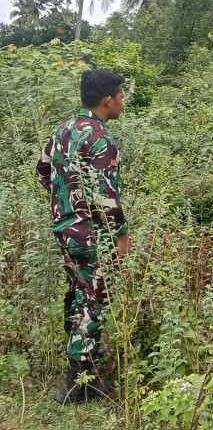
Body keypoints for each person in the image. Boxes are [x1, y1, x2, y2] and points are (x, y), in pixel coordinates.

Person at [36, 69, 130, 404]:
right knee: (92, 299)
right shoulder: (101, 139)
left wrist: (64, 201)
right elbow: (106, 198)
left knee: (78, 293)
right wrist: (122, 235)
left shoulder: (62, 131)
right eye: (120, 95)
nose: (122, 100)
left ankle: (81, 370)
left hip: (64, 230)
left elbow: (43, 169)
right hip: (91, 236)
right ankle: (79, 384)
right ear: (108, 99)